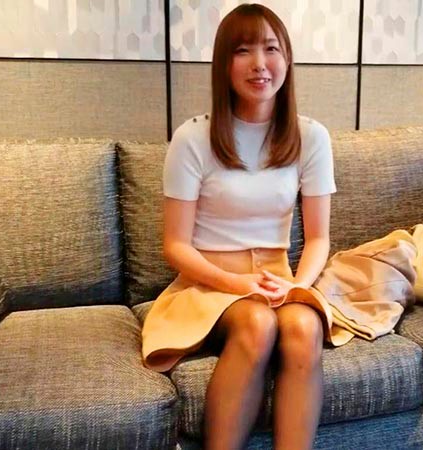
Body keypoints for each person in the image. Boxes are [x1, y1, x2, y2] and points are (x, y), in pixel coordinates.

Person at [139, 4, 336, 450]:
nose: (259, 64)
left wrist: (297, 287)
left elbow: (319, 238)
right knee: (257, 323)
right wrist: (236, 283)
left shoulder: (311, 137)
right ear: (223, 64)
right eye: (243, 51)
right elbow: (175, 246)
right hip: (208, 283)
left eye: (271, 49)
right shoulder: (193, 138)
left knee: (304, 328)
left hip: (277, 281)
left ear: (287, 58)